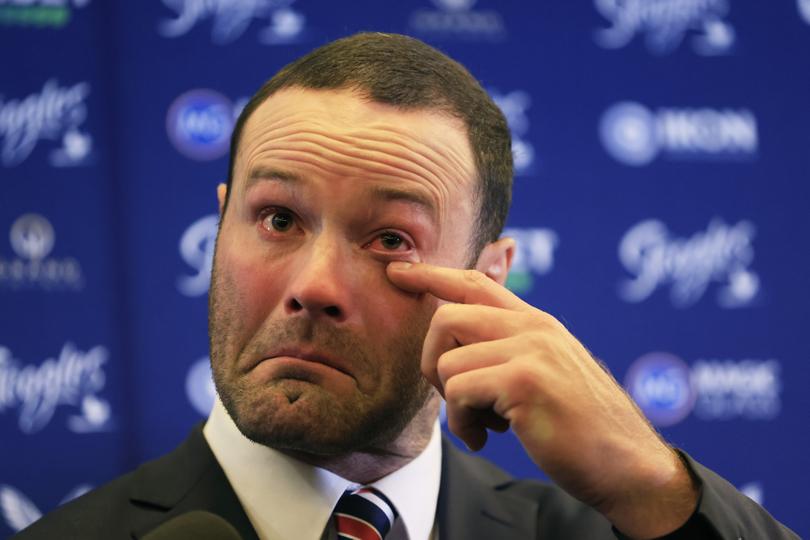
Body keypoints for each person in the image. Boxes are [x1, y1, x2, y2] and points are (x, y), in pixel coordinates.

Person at [16, 32, 798, 540]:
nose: (316, 286)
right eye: (279, 219)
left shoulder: (610, 531)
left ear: (487, 282)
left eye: (391, 239)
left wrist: (653, 486)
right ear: (221, 231)